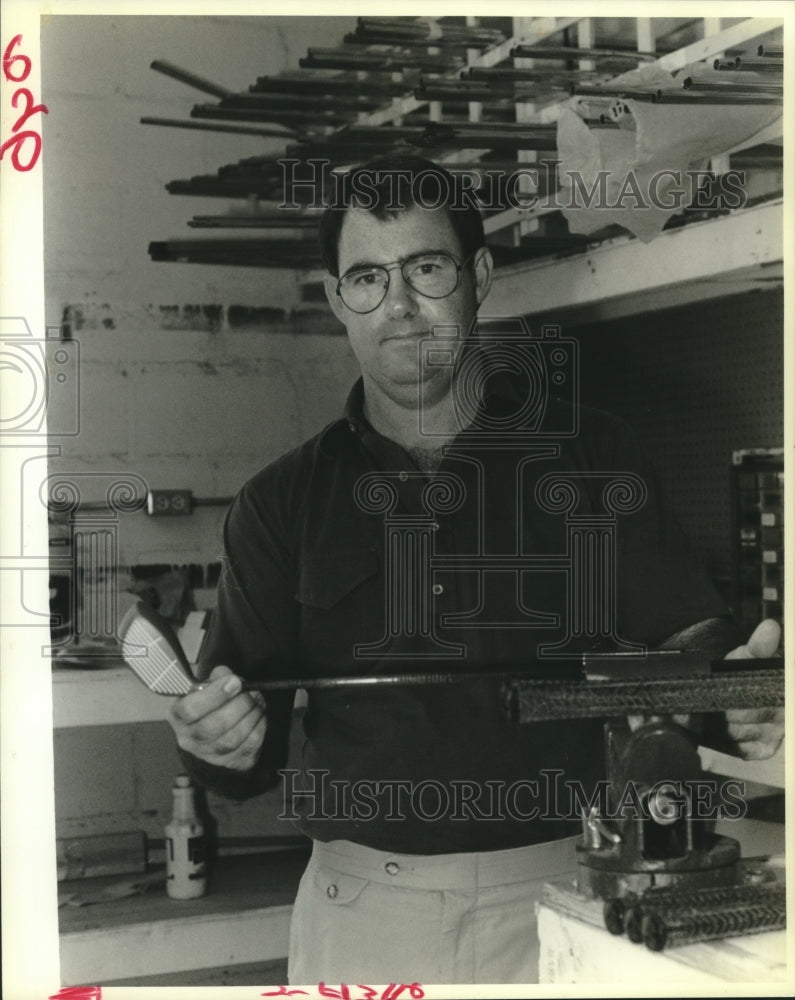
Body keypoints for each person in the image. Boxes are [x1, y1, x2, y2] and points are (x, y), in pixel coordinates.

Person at [167, 154, 784, 986]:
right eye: (366, 277)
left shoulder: (592, 455)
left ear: (477, 275)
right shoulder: (278, 504)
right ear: (334, 299)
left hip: (570, 885)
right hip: (365, 910)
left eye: (425, 268)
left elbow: (686, 643)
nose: (400, 306)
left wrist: (734, 697)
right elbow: (241, 745)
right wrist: (211, 739)